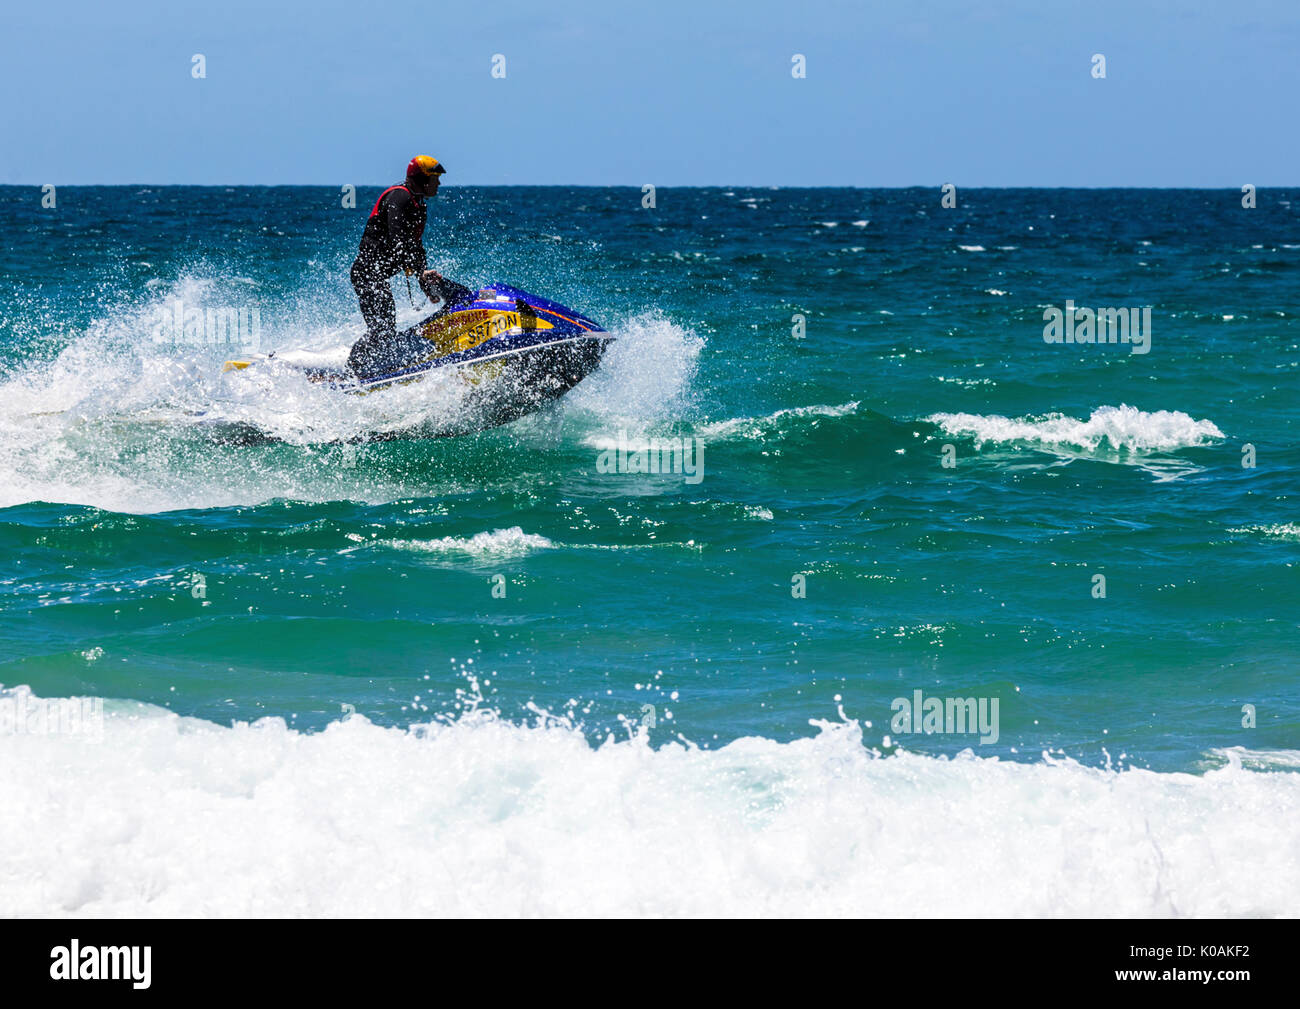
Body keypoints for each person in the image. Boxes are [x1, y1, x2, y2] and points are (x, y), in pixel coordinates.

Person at [347, 155, 471, 378]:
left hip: (377, 276)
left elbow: (415, 245)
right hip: (366, 274)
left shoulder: (418, 203)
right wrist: (420, 270)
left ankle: (369, 370)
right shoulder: (399, 197)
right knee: (382, 330)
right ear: (422, 178)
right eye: (435, 178)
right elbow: (398, 240)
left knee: (385, 329)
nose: (439, 184)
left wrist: (423, 277)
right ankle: (353, 372)